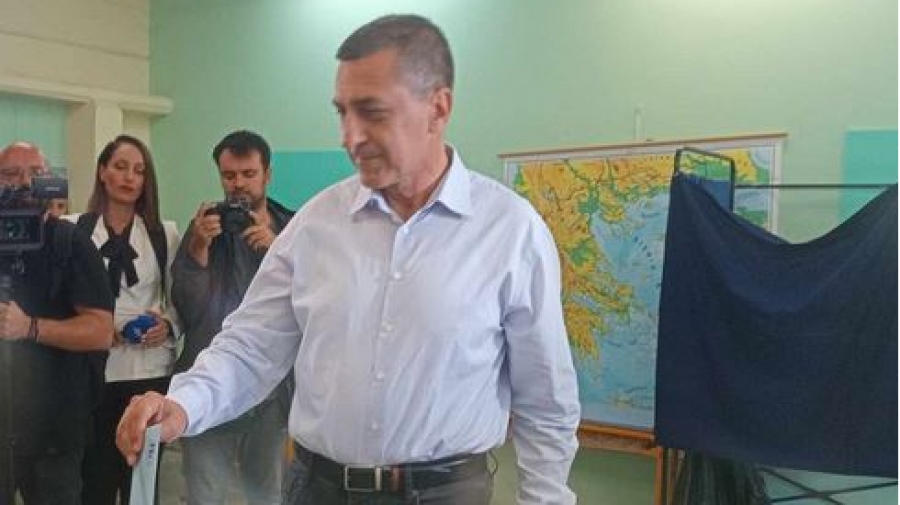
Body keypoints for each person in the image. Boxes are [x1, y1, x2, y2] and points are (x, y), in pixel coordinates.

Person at [117, 14, 580, 505]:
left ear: (438, 108)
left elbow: (545, 398)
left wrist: (546, 498)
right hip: (318, 488)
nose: (349, 136)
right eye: (342, 113)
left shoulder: (509, 231)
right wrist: (182, 404)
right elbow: (251, 347)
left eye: (372, 112)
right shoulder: (316, 225)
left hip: (445, 494)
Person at [170, 130, 294, 505]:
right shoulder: (204, 227)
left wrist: (279, 251)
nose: (238, 184)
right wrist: (198, 250)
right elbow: (187, 308)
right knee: (205, 495)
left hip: (272, 390)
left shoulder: (293, 228)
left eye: (248, 174)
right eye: (229, 175)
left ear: (267, 174)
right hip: (210, 378)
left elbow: (313, 301)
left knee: (267, 495)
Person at [65, 134, 181, 505]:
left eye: (139, 170)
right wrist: (98, 327)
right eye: (120, 167)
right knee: (94, 479)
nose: (130, 177)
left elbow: (179, 298)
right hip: (95, 371)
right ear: (102, 171)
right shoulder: (74, 229)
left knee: (142, 483)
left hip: (149, 372)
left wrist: (167, 324)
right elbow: (60, 297)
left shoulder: (164, 234)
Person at [0, 141, 115, 505]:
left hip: (53, 430)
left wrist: (30, 327)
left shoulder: (71, 243)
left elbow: (101, 331)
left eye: (35, 174)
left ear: (51, 183)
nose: (23, 183)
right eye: (10, 174)